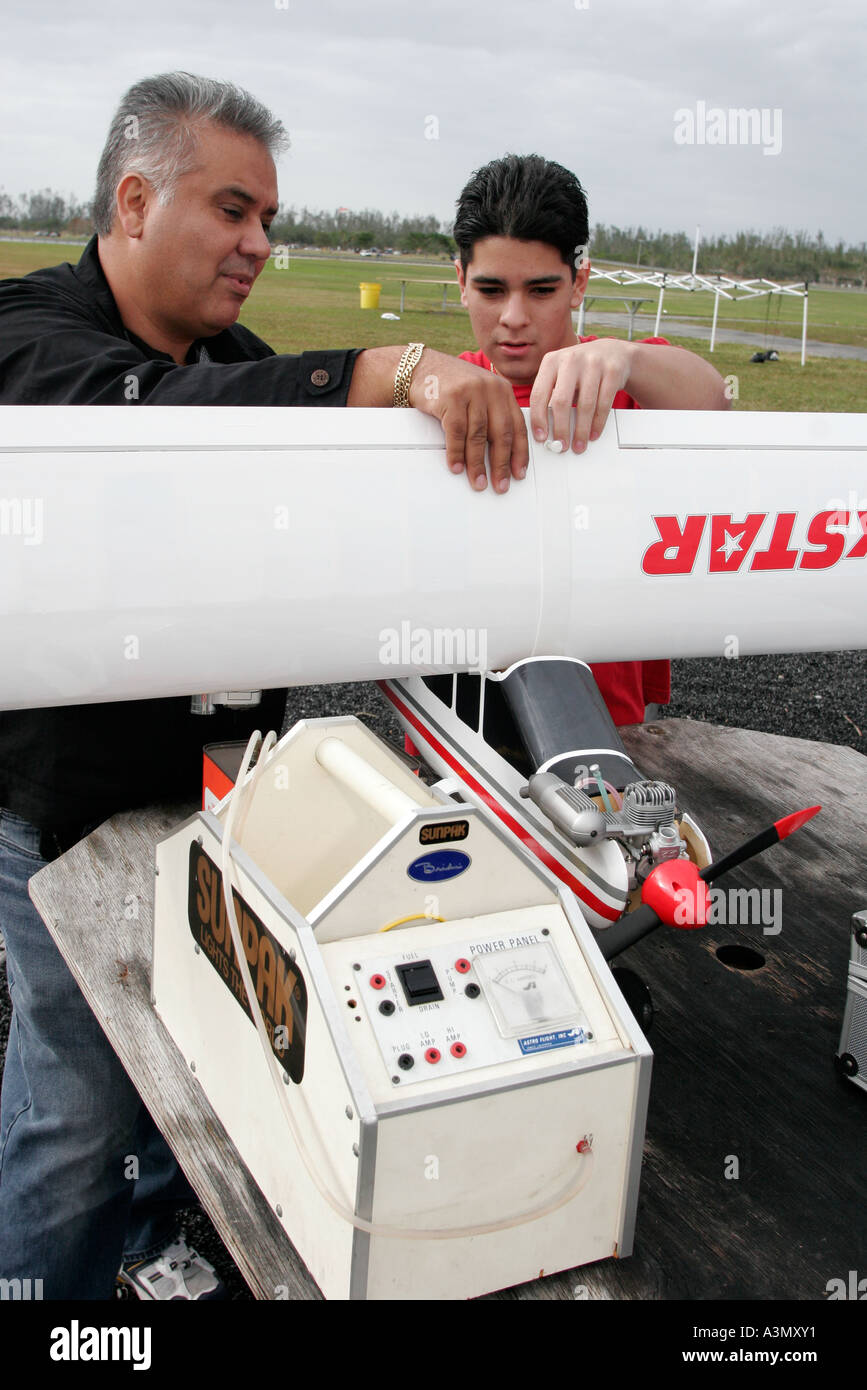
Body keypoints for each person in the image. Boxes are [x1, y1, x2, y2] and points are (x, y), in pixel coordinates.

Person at [0, 73, 528, 1301]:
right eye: (234, 210)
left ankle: (142, 1256)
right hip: (67, 819)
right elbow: (147, 427)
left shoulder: (234, 353)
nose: (259, 245)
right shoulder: (30, 333)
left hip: (218, 809)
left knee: (193, 1069)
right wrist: (393, 368)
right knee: (75, 1115)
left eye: (270, 220)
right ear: (134, 200)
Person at [452, 153, 730, 726]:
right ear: (460, 282)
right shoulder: (445, 386)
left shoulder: (624, 382)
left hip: (610, 719)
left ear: (579, 283)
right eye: (491, 289)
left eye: (541, 290)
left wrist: (626, 358)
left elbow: (714, 402)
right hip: (462, 712)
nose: (513, 317)